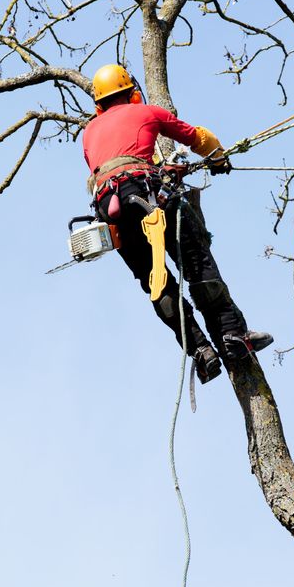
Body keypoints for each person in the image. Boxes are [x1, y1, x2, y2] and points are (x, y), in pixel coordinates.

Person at [82, 63, 273, 384]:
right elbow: (198, 138)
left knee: (156, 282)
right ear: (133, 94)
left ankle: (201, 351)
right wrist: (218, 158)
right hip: (149, 193)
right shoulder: (146, 112)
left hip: (110, 209)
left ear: (99, 106)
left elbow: (117, 161)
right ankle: (232, 336)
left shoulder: (88, 132)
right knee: (197, 262)